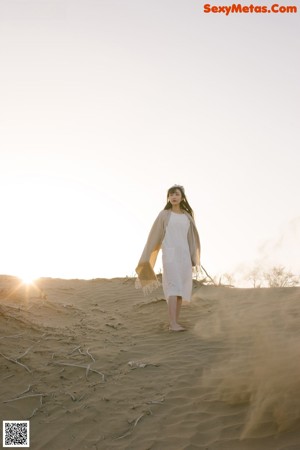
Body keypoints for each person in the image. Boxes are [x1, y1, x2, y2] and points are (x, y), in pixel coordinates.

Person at [135, 185, 201, 331]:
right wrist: (147, 258)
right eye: (171, 195)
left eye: (176, 194)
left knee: (180, 290)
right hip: (170, 255)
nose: (173, 197)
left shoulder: (187, 216)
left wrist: (192, 258)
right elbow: (154, 236)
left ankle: (175, 322)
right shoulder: (164, 214)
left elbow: (191, 239)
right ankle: (172, 324)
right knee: (172, 287)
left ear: (182, 197)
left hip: (184, 256)